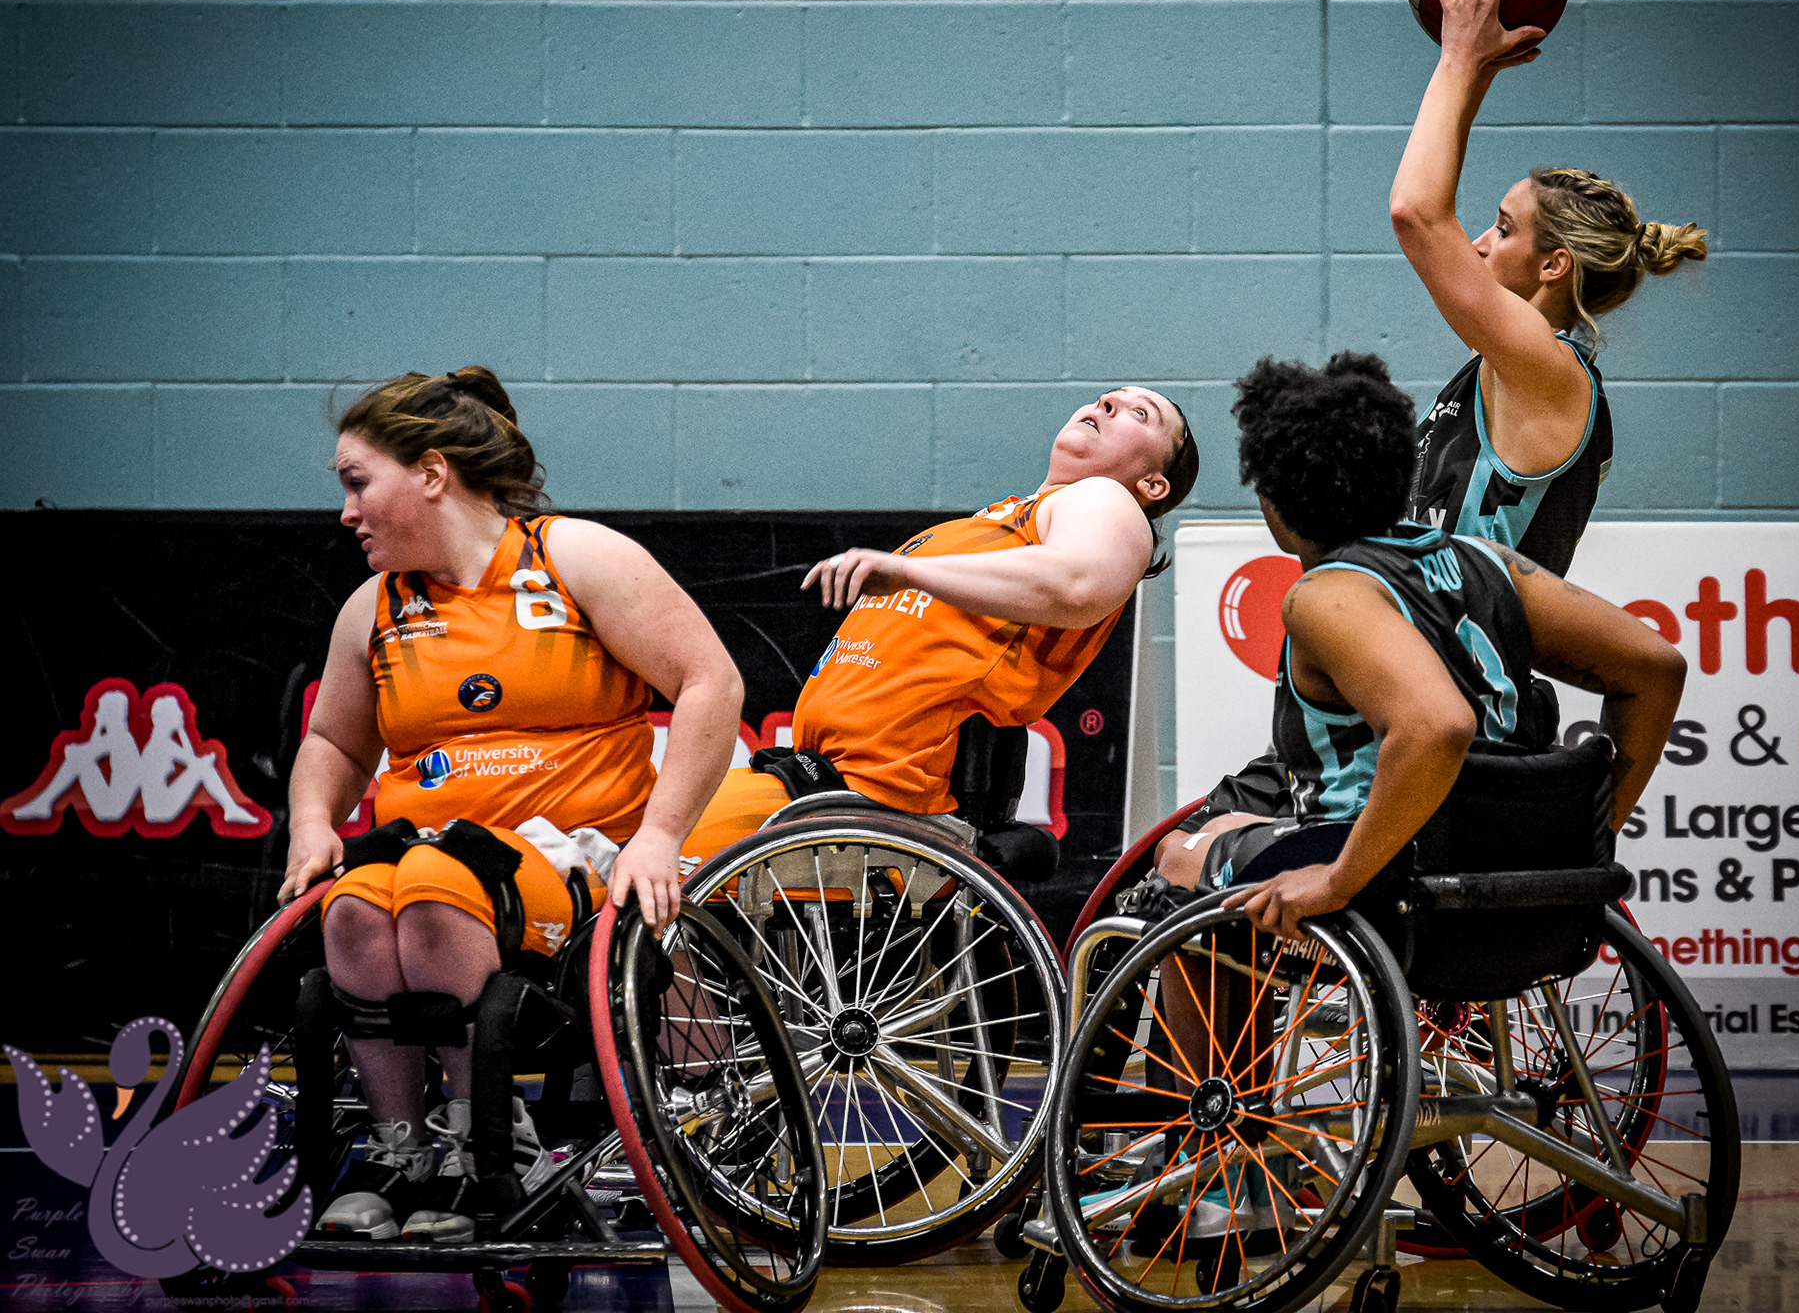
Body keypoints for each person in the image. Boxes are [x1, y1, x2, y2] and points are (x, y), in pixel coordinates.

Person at [276, 367, 744, 1244]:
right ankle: (402, 1151)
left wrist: (660, 835)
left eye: (358, 483)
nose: (346, 512)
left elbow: (710, 682)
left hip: (572, 862)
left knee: (432, 889)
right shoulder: (372, 609)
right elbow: (333, 744)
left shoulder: (575, 559)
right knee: (353, 909)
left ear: (431, 473)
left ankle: (490, 1143)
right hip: (426, 853)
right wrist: (311, 824)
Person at [1139, 350, 1685, 949]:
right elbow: (1657, 668)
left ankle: (1223, 1015)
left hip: (1397, 876)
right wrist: (1590, 838)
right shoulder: (1490, 563)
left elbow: (1437, 726)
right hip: (1512, 862)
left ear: (1273, 498)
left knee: (1180, 857)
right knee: (1231, 823)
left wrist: (1337, 881)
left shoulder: (1326, 594)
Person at [678, 387, 1199, 863]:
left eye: (1139, 413)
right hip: (815, 780)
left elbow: (1077, 584)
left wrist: (907, 572)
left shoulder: (1105, 499)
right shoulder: (1000, 520)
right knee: (646, 835)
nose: (1106, 403)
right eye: (1107, 398)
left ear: (1152, 483)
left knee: (648, 850)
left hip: (881, 801)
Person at [1390, 0, 1707, 575]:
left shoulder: (1547, 369)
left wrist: (1458, 59)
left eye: (1504, 229)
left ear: (1554, 265)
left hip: (1474, 643)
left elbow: (1417, 213)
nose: (1479, 243)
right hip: (1433, 633)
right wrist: (1478, 70)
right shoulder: (1512, 364)